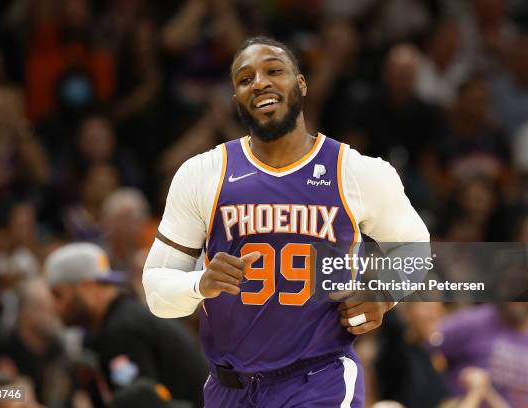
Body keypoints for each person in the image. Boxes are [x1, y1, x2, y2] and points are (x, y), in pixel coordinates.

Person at [142, 36, 429, 407]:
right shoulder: (203, 173)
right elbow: (156, 292)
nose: (259, 82)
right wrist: (201, 282)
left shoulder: (357, 172)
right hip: (228, 387)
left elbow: (416, 249)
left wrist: (383, 294)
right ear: (236, 100)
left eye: (274, 71)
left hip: (318, 380)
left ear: (302, 84)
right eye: (245, 79)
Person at [44, 242, 208, 407]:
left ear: (87, 286)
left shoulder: (123, 331)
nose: (53, 305)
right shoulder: (125, 316)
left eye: (57, 295)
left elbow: (142, 404)